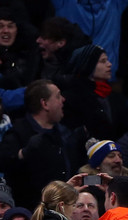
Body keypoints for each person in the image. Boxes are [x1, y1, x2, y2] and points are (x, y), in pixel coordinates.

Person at [0, 79, 88, 210]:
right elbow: (5, 163)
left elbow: (78, 172)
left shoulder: (65, 134)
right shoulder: (18, 133)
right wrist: (22, 154)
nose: (63, 100)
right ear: (45, 103)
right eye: (58, 96)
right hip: (33, 213)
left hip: (67, 208)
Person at [62, 44, 128, 141]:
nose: (109, 64)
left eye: (107, 60)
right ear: (88, 65)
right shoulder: (72, 98)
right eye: (103, 61)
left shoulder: (115, 96)